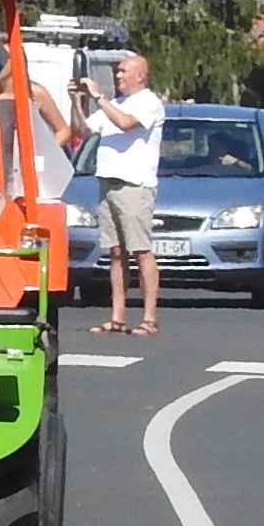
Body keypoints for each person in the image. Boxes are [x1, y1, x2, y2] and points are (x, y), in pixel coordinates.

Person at [79, 51, 166, 335]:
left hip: (134, 184)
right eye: (117, 72)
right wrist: (75, 101)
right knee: (116, 253)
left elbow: (126, 123)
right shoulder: (114, 104)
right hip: (108, 182)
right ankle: (117, 316)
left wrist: (99, 98)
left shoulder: (148, 103)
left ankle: (149, 318)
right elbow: (81, 130)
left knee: (140, 250)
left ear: (140, 75)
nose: (118, 76)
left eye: (123, 71)